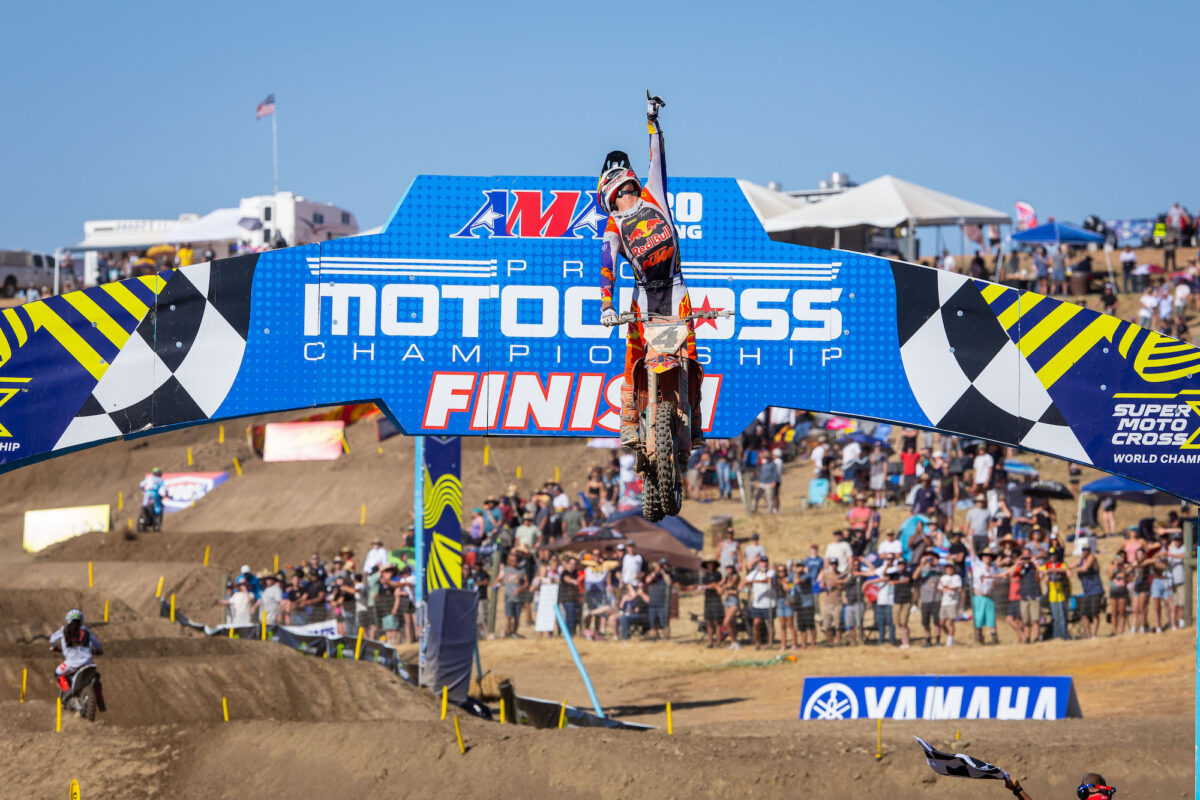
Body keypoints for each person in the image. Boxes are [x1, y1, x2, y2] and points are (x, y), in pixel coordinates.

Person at [598, 92, 703, 448]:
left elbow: (657, 158)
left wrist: (652, 121)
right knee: (634, 355)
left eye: (625, 188)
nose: (624, 194)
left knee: (689, 353)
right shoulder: (613, 226)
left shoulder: (652, 194)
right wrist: (606, 305)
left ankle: (695, 419)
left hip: (674, 288)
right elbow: (606, 267)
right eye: (620, 191)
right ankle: (629, 421)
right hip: (643, 296)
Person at [49, 609, 105, 710]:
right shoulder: (87, 631)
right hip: (88, 662)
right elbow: (97, 644)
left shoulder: (64, 630)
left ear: (68, 619)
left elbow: (52, 639)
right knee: (96, 677)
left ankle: (67, 690)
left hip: (71, 663)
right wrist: (98, 650)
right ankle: (100, 701)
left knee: (57, 673)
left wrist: (55, 647)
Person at [1072, 546, 1104, 638]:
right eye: (1083, 550)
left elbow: (1085, 568)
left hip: (1096, 590)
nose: (1085, 551)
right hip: (1086, 592)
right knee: (1083, 613)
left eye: (1087, 550)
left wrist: (1073, 570)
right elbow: (1069, 566)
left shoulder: (1092, 558)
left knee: (1094, 613)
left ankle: (1094, 634)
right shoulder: (1080, 561)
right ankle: (1088, 634)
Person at [744, 556, 775, 648]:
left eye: (765, 562)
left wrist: (753, 581)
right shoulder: (754, 573)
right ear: (759, 563)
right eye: (762, 562)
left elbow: (767, 580)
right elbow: (746, 581)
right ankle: (757, 643)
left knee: (770, 624)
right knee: (756, 623)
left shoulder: (771, 572)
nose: (764, 564)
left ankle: (770, 643)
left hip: (769, 603)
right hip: (757, 604)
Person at [819, 558, 845, 646]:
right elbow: (821, 585)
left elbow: (844, 587)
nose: (834, 565)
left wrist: (836, 585)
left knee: (838, 625)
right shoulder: (826, 574)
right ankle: (830, 642)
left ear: (837, 564)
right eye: (832, 564)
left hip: (837, 602)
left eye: (835, 564)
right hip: (827, 603)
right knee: (827, 625)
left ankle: (838, 642)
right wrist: (824, 585)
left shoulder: (841, 574)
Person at [936, 562, 963, 646]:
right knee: (941, 623)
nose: (949, 570)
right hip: (944, 602)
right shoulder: (943, 578)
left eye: (950, 568)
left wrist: (946, 587)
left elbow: (956, 588)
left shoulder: (956, 577)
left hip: (953, 602)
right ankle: (949, 636)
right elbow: (940, 589)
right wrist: (935, 587)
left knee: (951, 621)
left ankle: (950, 641)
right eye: (947, 568)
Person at [644, 558, 672, 640]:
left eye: (665, 565)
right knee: (652, 624)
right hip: (653, 603)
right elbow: (647, 580)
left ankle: (667, 639)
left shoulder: (668, 575)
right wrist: (656, 571)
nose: (663, 567)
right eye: (662, 565)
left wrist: (663, 572)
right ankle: (654, 638)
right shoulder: (654, 575)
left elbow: (669, 582)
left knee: (665, 623)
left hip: (663, 604)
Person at [698, 558, 723, 648]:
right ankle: (710, 642)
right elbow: (706, 586)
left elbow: (715, 585)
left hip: (716, 599)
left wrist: (704, 587)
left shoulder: (718, 574)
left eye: (711, 564)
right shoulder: (705, 576)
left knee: (717, 622)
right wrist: (704, 587)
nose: (710, 566)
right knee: (709, 622)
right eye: (708, 564)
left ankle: (719, 642)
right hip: (708, 600)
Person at [1108, 550, 1131, 636]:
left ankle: (1121, 630)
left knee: (1122, 611)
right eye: (1119, 556)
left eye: (1123, 556)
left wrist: (1124, 571)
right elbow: (1110, 577)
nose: (1121, 558)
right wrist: (1116, 569)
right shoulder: (1112, 566)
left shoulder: (1126, 566)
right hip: (1113, 590)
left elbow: (1130, 579)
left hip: (1122, 590)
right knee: (1114, 612)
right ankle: (1114, 631)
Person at [720, 565, 742, 649]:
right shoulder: (726, 577)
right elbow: (719, 585)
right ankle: (733, 642)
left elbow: (730, 585)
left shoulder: (735, 576)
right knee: (731, 623)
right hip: (727, 601)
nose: (729, 570)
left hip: (734, 601)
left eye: (730, 568)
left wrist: (725, 589)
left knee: (726, 622)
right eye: (727, 568)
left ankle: (734, 641)